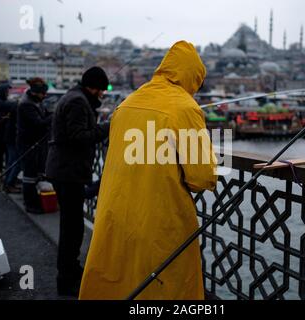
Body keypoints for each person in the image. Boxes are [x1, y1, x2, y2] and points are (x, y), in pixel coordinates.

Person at [79, 41, 218, 300]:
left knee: (119, 282)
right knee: (163, 288)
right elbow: (202, 177)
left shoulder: (128, 102)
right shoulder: (186, 108)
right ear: (192, 77)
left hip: (115, 214)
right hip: (159, 221)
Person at [46, 66, 110, 297]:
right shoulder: (77, 102)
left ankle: (72, 271)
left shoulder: (75, 97)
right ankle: (66, 280)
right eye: (102, 90)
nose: (103, 94)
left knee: (72, 226)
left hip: (66, 170)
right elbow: (79, 137)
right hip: (67, 172)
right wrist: (108, 127)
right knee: (71, 229)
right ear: (93, 87)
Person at [17, 78, 51, 213]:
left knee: (35, 174)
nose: (45, 96)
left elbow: (44, 115)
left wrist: (52, 114)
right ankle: (30, 204)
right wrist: (52, 118)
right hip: (28, 144)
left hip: (35, 143)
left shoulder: (36, 102)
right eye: (43, 93)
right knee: (29, 176)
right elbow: (38, 123)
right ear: (36, 93)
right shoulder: (27, 104)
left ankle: (35, 200)